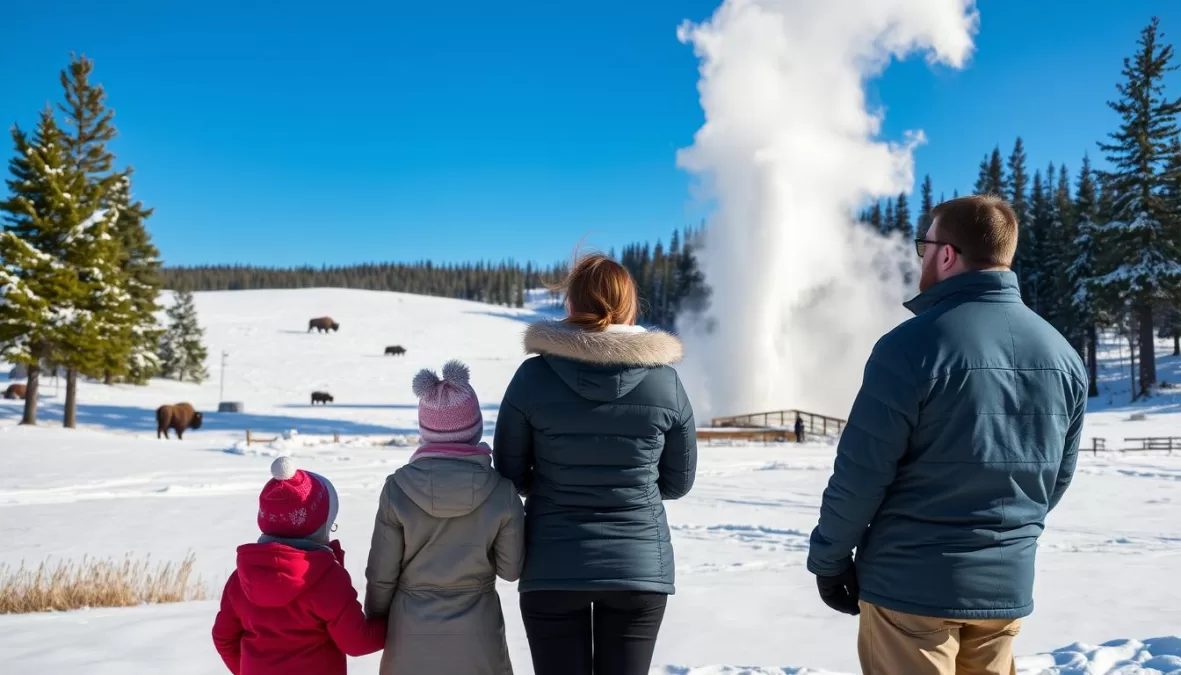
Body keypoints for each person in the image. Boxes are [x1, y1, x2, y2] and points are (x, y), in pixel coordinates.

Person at [807, 195, 1087, 675]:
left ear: (947, 254)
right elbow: (1054, 479)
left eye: (924, 246)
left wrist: (830, 560)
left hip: (909, 589)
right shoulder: (1062, 355)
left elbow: (861, 473)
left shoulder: (910, 346)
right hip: (1005, 589)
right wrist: (1002, 540)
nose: (922, 259)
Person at [493, 253, 697, 675]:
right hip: (637, 567)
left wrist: (552, 483)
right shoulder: (665, 382)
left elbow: (510, 473)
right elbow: (678, 481)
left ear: (571, 304)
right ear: (629, 305)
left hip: (552, 565)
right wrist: (631, 487)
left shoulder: (532, 377)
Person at [364, 360, 525, 675]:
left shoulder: (397, 489)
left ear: (425, 431)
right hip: (479, 637)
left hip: (410, 635)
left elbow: (382, 573)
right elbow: (511, 569)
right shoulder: (502, 492)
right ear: (474, 427)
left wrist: (377, 619)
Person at [212, 457, 386, 675]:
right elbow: (357, 641)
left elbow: (224, 638)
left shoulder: (241, 579)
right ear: (320, 527)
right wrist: (399, 622)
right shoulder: (326, 579)